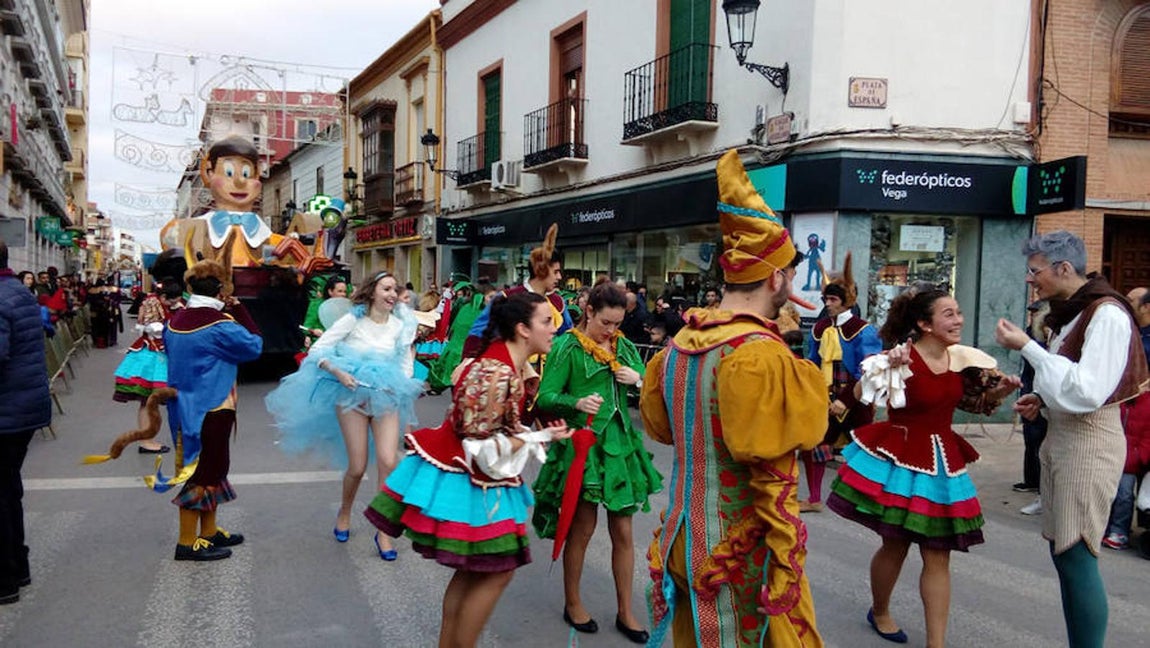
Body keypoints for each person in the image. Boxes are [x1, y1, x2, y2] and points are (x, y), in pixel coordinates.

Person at [639, 150, 829, 648]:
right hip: (736, 552)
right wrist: (785, 557)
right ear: (775, 278)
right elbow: (772, 471)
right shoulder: (758, 354)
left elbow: (664, 429)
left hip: (682, 536)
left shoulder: (678, 347)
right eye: (789, 274)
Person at [364, 292, 571, 648]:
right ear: (523, 329)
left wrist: (539, 433)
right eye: (546, 322)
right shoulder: (496, 371)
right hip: (475, 479)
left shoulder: (503, 364)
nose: (554, 329)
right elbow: (480, 445)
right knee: (497, 569)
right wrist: (536, 436)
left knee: (475, 570)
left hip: (477, 474)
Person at [827, 285, 1019, 647]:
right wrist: (880, 373)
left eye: (958, 312)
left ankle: (936, 643)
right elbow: (858, 394)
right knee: (895, 544)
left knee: (938, 554)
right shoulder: (900, 357)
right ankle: (880, 611)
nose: (959, 320)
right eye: (949, 314)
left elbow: (974, 404)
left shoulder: (962, 360)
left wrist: (1002, 391)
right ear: (924, 324)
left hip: (943, 464)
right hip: (901, 460)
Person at [994, 231, 1149, 648]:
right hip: (1065, 441)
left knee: (1077, 555)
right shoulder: (1075, 313)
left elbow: (1089, 391)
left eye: (1035, 271)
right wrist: (1042, 401)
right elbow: (1071, 385)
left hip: (1090, 445)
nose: (1030, 279)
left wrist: (1028, 347)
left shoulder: (1107, 313)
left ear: (1063, 268)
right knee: (1065, 555)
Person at [532, 281, 663, 644]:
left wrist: (638, 379)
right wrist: (575, 402)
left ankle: (625, 610)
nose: (611, 330)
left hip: (621, 446)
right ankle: (573, 602)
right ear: (589, 311)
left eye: (618, 323)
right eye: (606, 322)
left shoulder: (623, 346)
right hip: (584, 447)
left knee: (624, 531)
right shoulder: (567, 347)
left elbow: (649, 384)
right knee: (583, 527)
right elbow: (545, 396)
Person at [266, 270, 423, 559]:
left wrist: (400, 384)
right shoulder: (353, 319)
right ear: (372, 291)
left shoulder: (401, 325)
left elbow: (405, 363)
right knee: (358, 466)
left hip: (386, 396)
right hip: (351, 396)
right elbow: (318, 350)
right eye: (386, 289)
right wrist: (338, 372)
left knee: (389, 461)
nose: (392, 294)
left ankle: (383, 531)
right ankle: (345, 510)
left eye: (395, 289)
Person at [154, 260, 262, 561]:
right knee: (203, 473)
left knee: (207, 468)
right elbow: (254, 345)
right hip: (213, 407)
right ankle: (187, 542)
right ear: (220, 289)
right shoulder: (220, 325)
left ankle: (208, 532)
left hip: (183, 406)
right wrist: (239, 309)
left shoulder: (175, 321)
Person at [802, 254, 882, 512]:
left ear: (846, 300)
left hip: (854, 398)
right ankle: (814, 499)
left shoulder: (863, 330)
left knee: (863, 451)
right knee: (815, 446)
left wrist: (846, 400)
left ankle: (866, 500)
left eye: (833, 300)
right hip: (824, 397)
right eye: (826, 299)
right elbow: (812, 363)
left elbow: (868, 370)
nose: (828, 304)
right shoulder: (819, 328)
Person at [0, 238, 51, 605]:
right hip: (21, 406)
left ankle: (5, 577)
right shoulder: (17, 291)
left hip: (7, 408)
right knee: (7, 489)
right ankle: (17, 565)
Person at [111, 274, 185, 454]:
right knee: (148, 401)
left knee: (149, 401)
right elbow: (156, 329)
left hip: (156, 354)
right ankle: (146, 440)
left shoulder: (159, 303)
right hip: (152, 356)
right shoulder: (152, 304)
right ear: (164, 296)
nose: (174, 304)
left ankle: (148, 439)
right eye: (172, 301)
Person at [1016, 300, 1051, 516]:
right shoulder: (1031, 334)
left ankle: (1043, 492)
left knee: (1043, 447)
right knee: (1033, 442)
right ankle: (1035, 485)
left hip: (1051, 399)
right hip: (1034, 393)